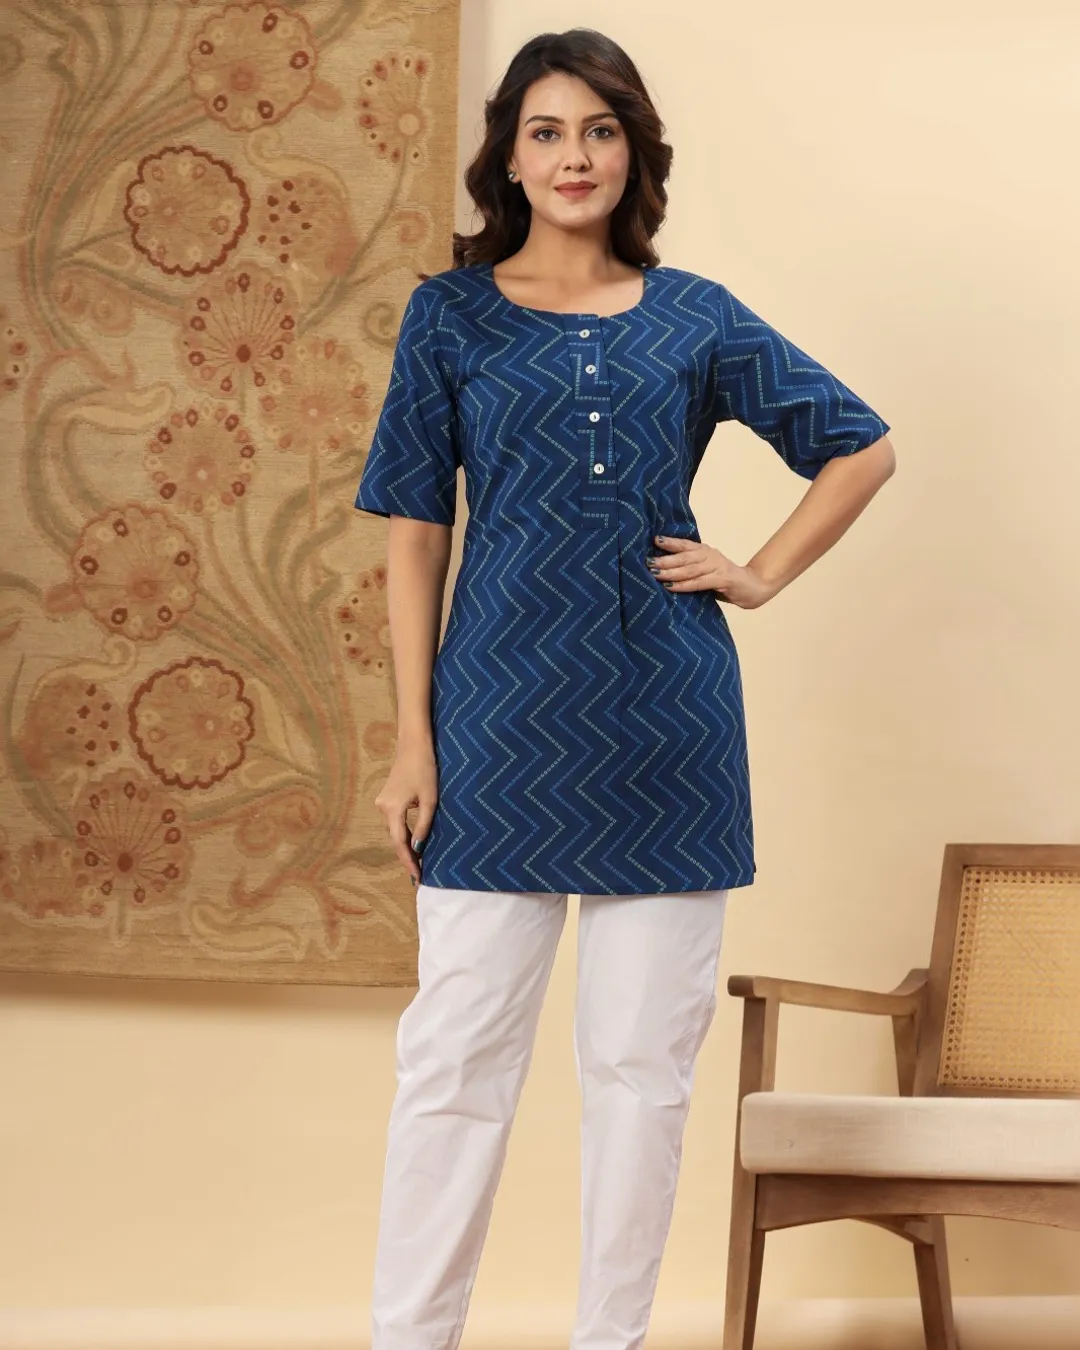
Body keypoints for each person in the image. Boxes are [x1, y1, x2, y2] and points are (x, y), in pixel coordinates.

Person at [353, 27, 895, 1350]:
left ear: (632, 151)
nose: (574, 156)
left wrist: (757, 572)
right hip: (493, 725)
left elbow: (860, 448)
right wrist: (413, 738)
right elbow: (415, 532)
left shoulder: (694, 314)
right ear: (509, 156)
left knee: (642, 1072)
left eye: (599, 130)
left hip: (667, 727)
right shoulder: (450, 315)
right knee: (455, 1060)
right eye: (546, 131)